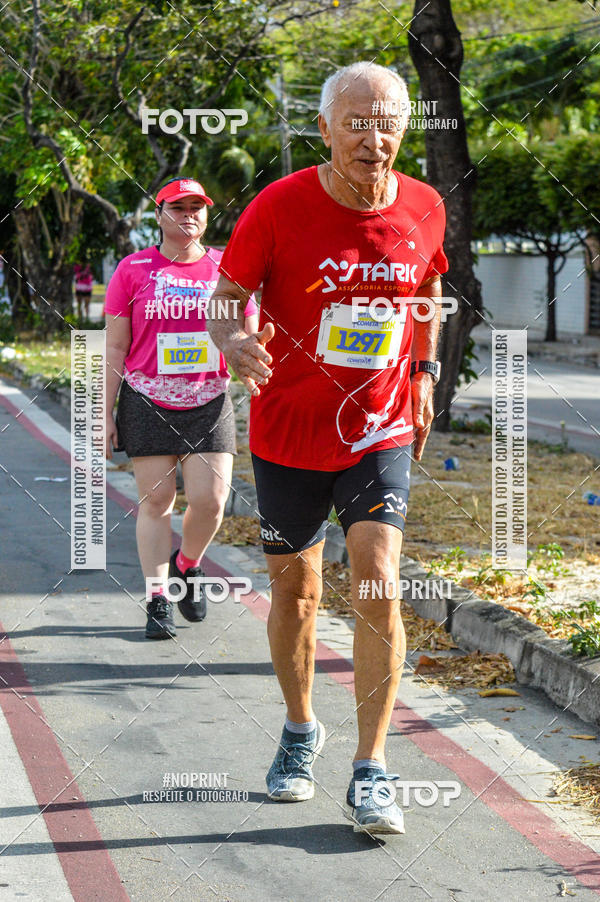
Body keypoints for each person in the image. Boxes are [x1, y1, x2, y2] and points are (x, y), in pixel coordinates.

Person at [208, 62, 448, 834]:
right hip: (287, 429)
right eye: (355, 123)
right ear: (325, 129)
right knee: (296, 593)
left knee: (376, 575)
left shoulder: (425, 205)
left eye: (386, 123)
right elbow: (224, 297)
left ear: (404, 129)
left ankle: (373, 769)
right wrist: (233, 341)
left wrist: (424, 368)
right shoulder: (278, 208)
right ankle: (300, 730)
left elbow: (426, 294)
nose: (371, 140)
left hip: (377, 427)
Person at [104, 177, 258, 640]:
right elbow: (114, 348)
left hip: (210, 400)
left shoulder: (226, 268)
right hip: (147, 398)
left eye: (197, 206)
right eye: (178, 206)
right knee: (157, 501)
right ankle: (156, 599)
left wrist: (252, 362)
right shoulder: (132, 270)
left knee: (211, 502)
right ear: (159, 214)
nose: (189, 214)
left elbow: (249, 332)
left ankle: (186, 564)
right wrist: (103, 414)